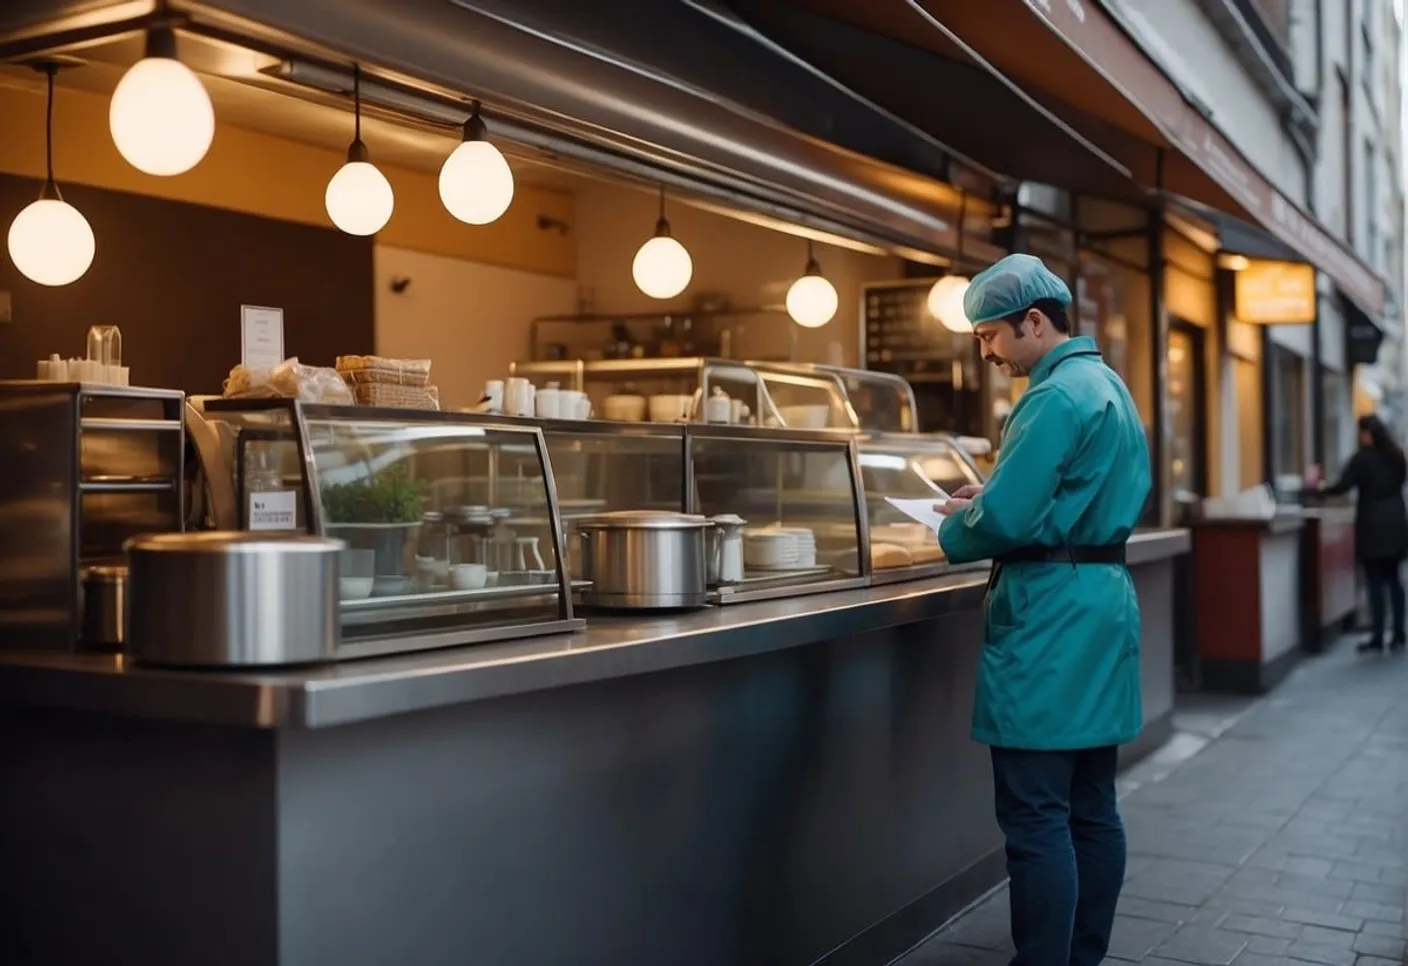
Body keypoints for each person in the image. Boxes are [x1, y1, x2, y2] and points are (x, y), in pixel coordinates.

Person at [934, 253, 1151, 966]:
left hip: (1052, 616)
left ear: (1033, 321)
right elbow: (1066, 492)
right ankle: (1081, 957)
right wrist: (995, 496)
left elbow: (1008, 520)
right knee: (1093, 807)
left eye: (989, 335)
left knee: (1035, 817)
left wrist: (958, 523)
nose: (986, 352)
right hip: (1102, 603)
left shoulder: (1052, 396)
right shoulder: (1109, 385)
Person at [1321, 414, 1408, 654]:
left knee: (1375, 581)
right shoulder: (1396, 456)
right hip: (1396, 522)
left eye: (1360, 432)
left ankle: (1378, 636)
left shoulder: (1362, 459)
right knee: (1394, 580)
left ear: (1367, 433)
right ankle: (1399, 633)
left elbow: (1343, 486)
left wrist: (1319, 490)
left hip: (1372, 524)